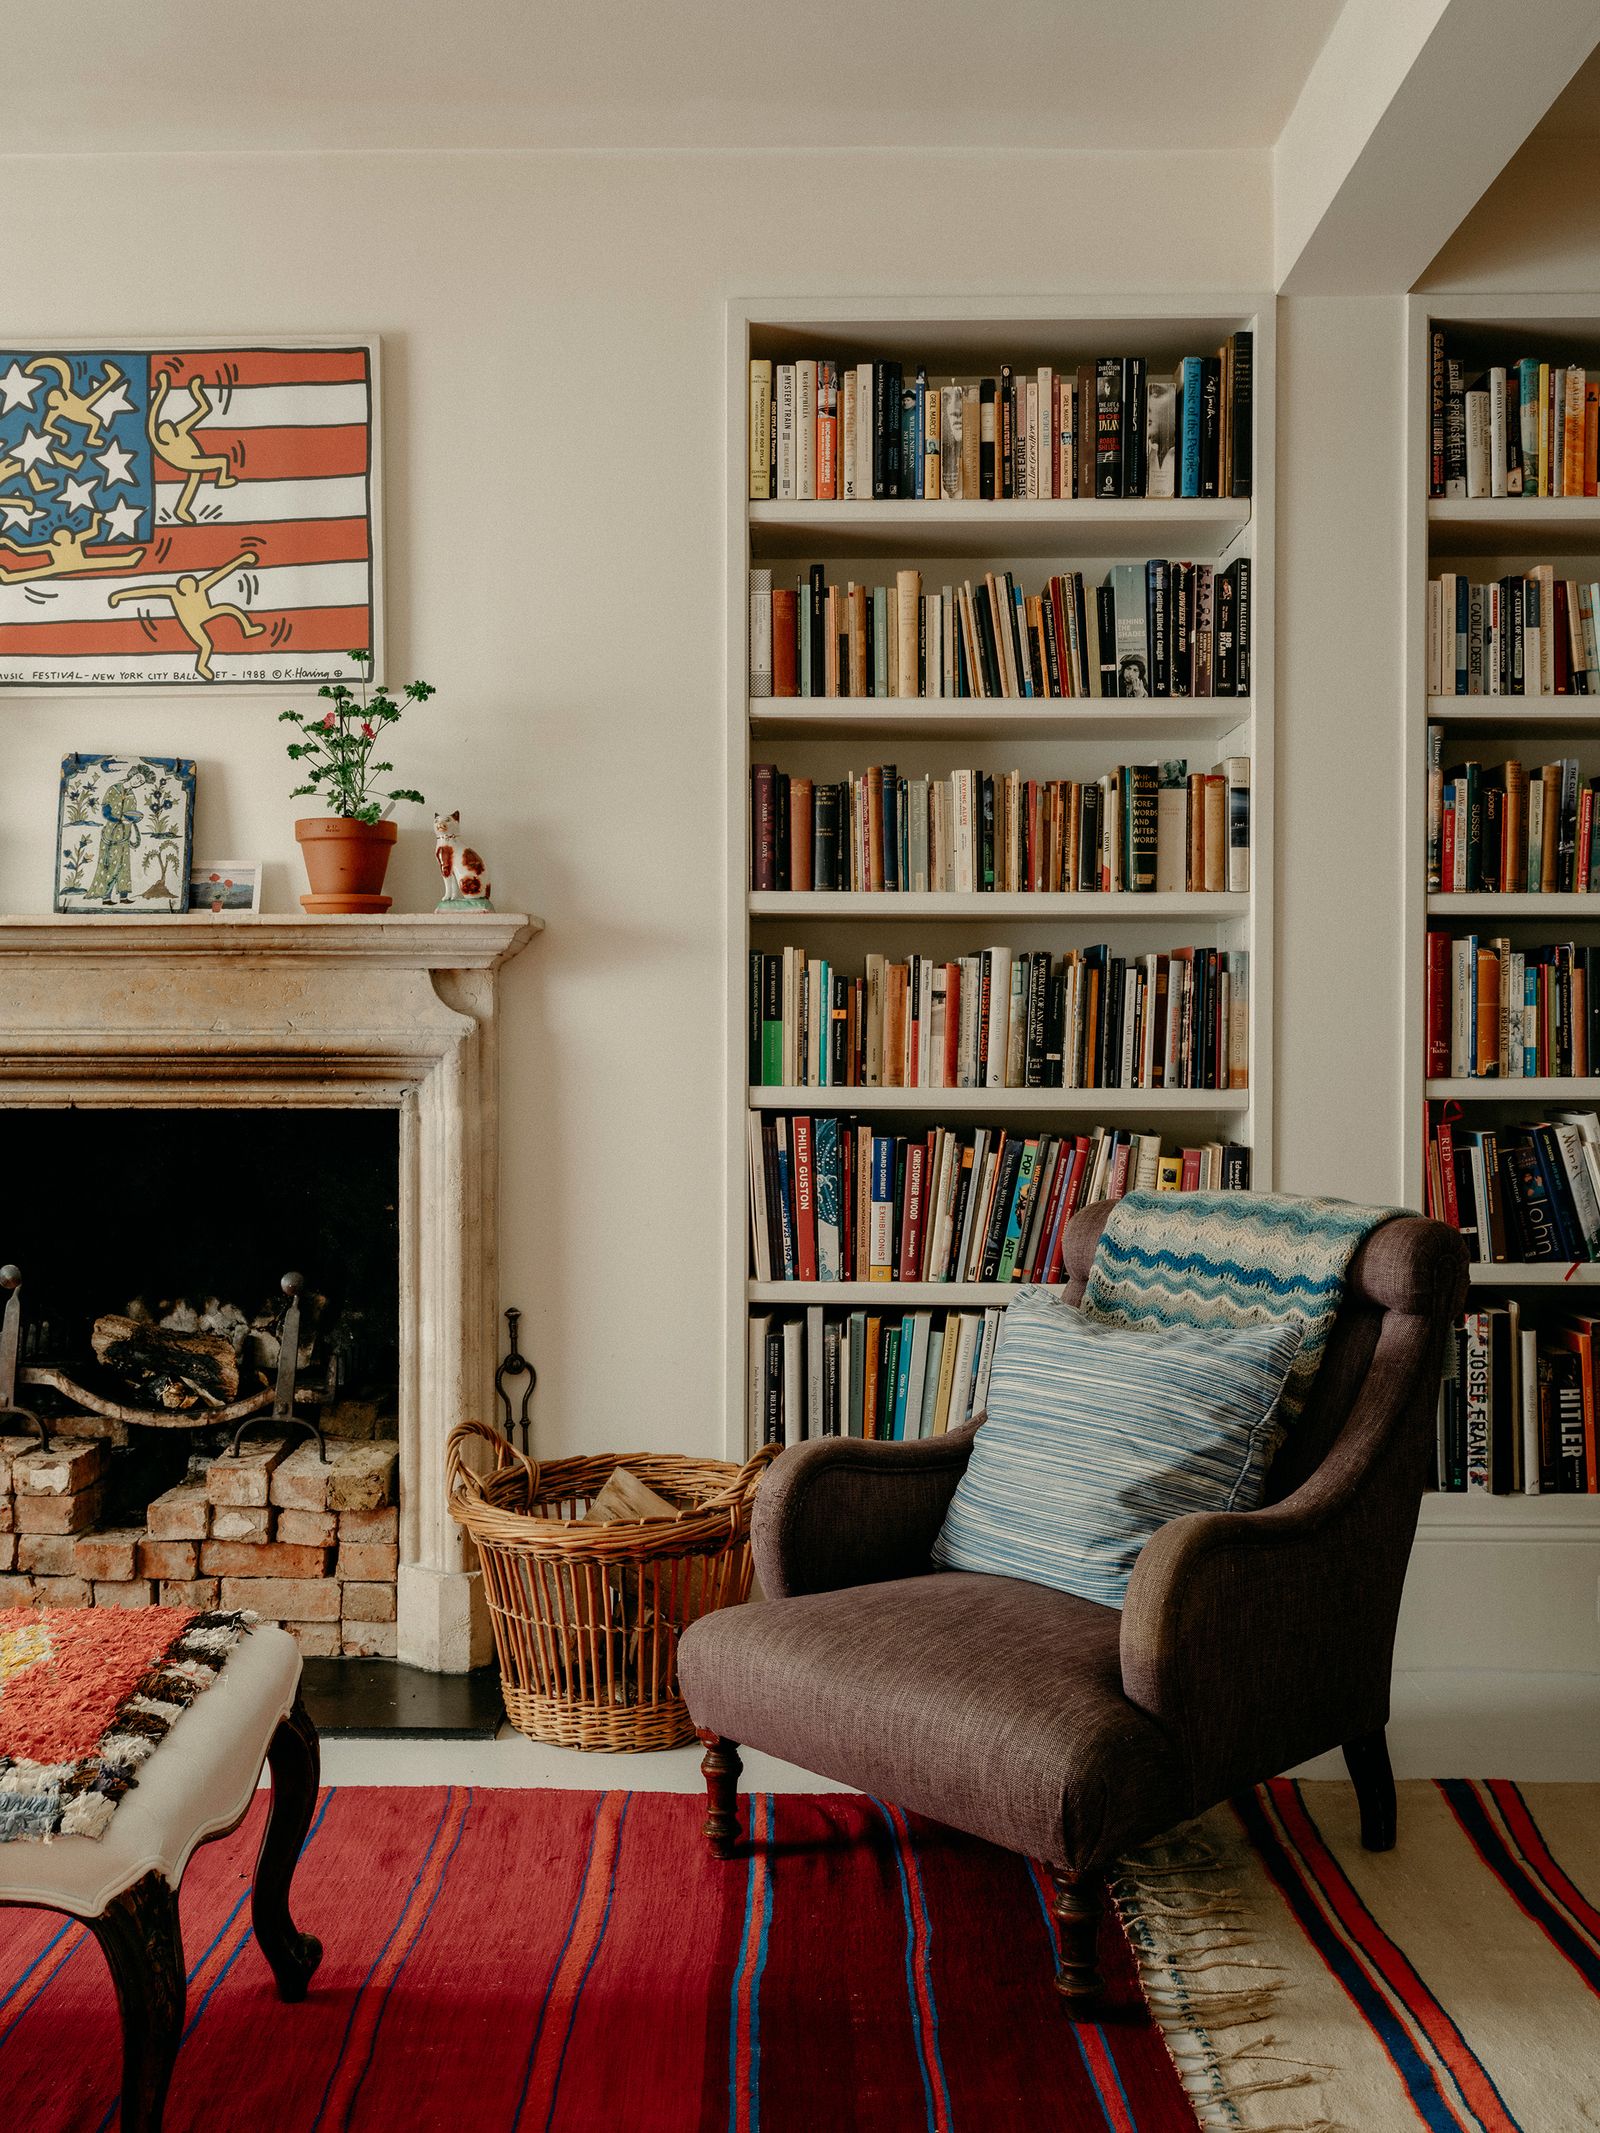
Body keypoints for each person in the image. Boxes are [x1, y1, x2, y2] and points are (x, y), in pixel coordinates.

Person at [107, 550, 263, 681]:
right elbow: (147, 591)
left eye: (191, 584)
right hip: (192, 623)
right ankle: (202, 666)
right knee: (206, 645)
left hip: (206, 612)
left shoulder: (201, 585)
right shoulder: (173, 592)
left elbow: (223, 572)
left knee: (229, 608)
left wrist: (242, 559)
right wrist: (119, 596)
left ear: (195, 584)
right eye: (184, 585)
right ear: (180, 587)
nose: (189, 587)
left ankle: (248, 628)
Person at [149, 371, 238, 524]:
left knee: (195, 478)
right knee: (222, 461)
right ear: (161, 435)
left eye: (169, 425)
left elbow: (203, 409)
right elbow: (153, 416)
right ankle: (221, 480)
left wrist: (195, 390)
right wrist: (162, 389)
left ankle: (181, 509)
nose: (169, 427)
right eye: (165, 428)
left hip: (193, 460)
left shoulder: (180, 429)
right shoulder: (160, 443)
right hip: (188, 461)